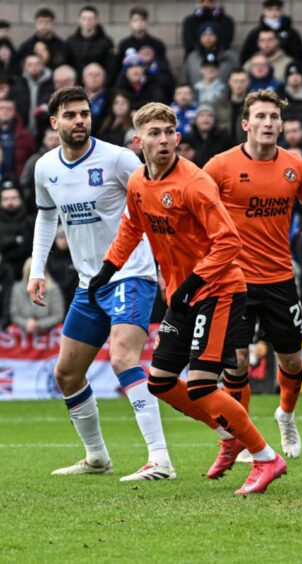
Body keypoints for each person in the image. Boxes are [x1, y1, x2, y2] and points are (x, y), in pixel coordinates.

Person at [90, 101, 286, 495]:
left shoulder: (194, 183)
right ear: (138, 142)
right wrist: (107, 270)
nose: (163, 140)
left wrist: (193, 285)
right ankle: (228, 429)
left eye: (169, 133)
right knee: (161, 382)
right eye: (154, 134)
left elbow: (229, 241)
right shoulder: (138, 184)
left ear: (178, 138)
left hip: (219, 290)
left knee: (200, 386)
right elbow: (131, 227)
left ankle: (266, 458)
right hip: (183, 295)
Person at [203, 89, 302, 459]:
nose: (268, 123)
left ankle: (285, 416)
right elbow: (195, 209)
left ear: (282, 125)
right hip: (233, 280)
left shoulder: (296, 167)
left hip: (279, 279)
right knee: (237, 362)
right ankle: (243, 437)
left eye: (274, 118)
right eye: (260, 117)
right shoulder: (219, 166)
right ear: (246, 124)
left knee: (291, 361)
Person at [28, 87, 175, 481]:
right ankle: (97, 457)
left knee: (124, 357)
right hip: (89, 282)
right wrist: (36, 270)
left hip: (130, 272)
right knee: (67, 373)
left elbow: (158, 191)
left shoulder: (117, 159)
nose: (80, 121)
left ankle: (160, 458)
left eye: (85, 113)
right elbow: (46, 217)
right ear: (54, 122)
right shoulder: (45, 168)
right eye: (71, 115)